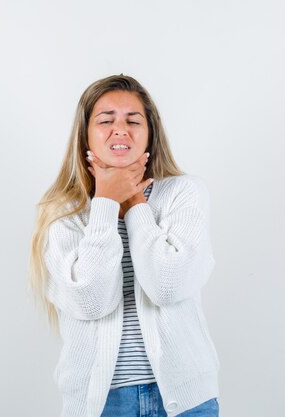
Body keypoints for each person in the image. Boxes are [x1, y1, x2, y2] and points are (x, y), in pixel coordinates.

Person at [28, 74, 220, 417]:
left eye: (133, 120)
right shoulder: (62, 210)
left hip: (185, 402)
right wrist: (105, 203)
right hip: (102, 404)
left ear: (150, 134)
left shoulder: (183, 194)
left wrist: (133, 202)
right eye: (106, 120)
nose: (120, 129)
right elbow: (91, 301)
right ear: (86, 134)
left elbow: (167, 285)